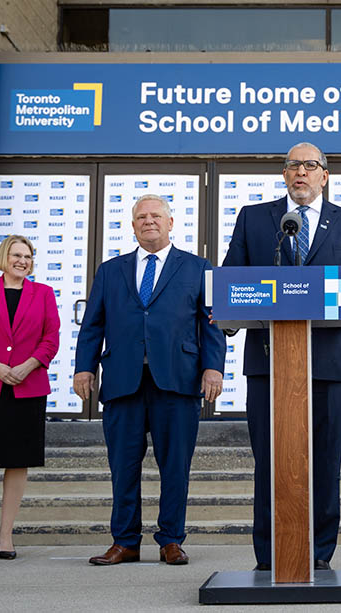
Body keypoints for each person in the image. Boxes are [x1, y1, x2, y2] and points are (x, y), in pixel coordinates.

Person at [222, 142, 341, 570]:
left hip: (329, 365)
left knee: (325, 462)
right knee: (270, 463)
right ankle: (270, 555)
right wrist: (238, 311)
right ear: (283, 174)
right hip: (268, 364)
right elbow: (231, 282)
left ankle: (319, 556)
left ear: (324, 175)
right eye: (293, 166)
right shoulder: (255, 219)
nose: (301, 173)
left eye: (310, 166)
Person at [74, 194, 225, 566]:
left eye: (156, 215)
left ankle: (171, 540)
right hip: (124, 381)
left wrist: (213, 367)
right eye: (141, 217)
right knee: (123, 466)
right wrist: (84, 366)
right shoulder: (110, 270)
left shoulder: (197, 267)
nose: (149, 221)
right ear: (133, 225)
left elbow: (213, 322)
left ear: (171, 223)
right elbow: (93, 323)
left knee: (175, 465)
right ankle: (125, 541)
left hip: (177, 380)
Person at [0, 235, 60, 561]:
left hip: (27, 386)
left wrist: (27, 365)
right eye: (17, 254)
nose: (22, 260)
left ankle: (6, 533)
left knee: (18, 460)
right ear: (4, 256)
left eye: (28, 256)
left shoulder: (43, 294)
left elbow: (50, 337)